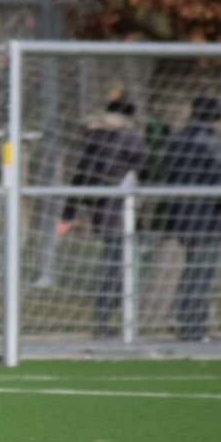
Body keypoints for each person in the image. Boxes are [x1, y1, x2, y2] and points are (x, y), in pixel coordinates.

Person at [58, 97, 149, 337]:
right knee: (120, 266)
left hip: (101, 210)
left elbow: (79, 176)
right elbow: (144, 166)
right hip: (120, 209)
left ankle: (105, 320)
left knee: (111, 266)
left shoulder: (94, 135)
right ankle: (117, 322)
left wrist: (68, 213)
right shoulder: (128, 136)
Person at [165, 96, 221, 342]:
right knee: (202, 272)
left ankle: (179, 315)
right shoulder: (210, 142)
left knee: (193, 268)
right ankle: (195, 326)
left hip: (182, 215)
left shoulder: (177, 140)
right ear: (216, 119)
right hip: (207, 217)